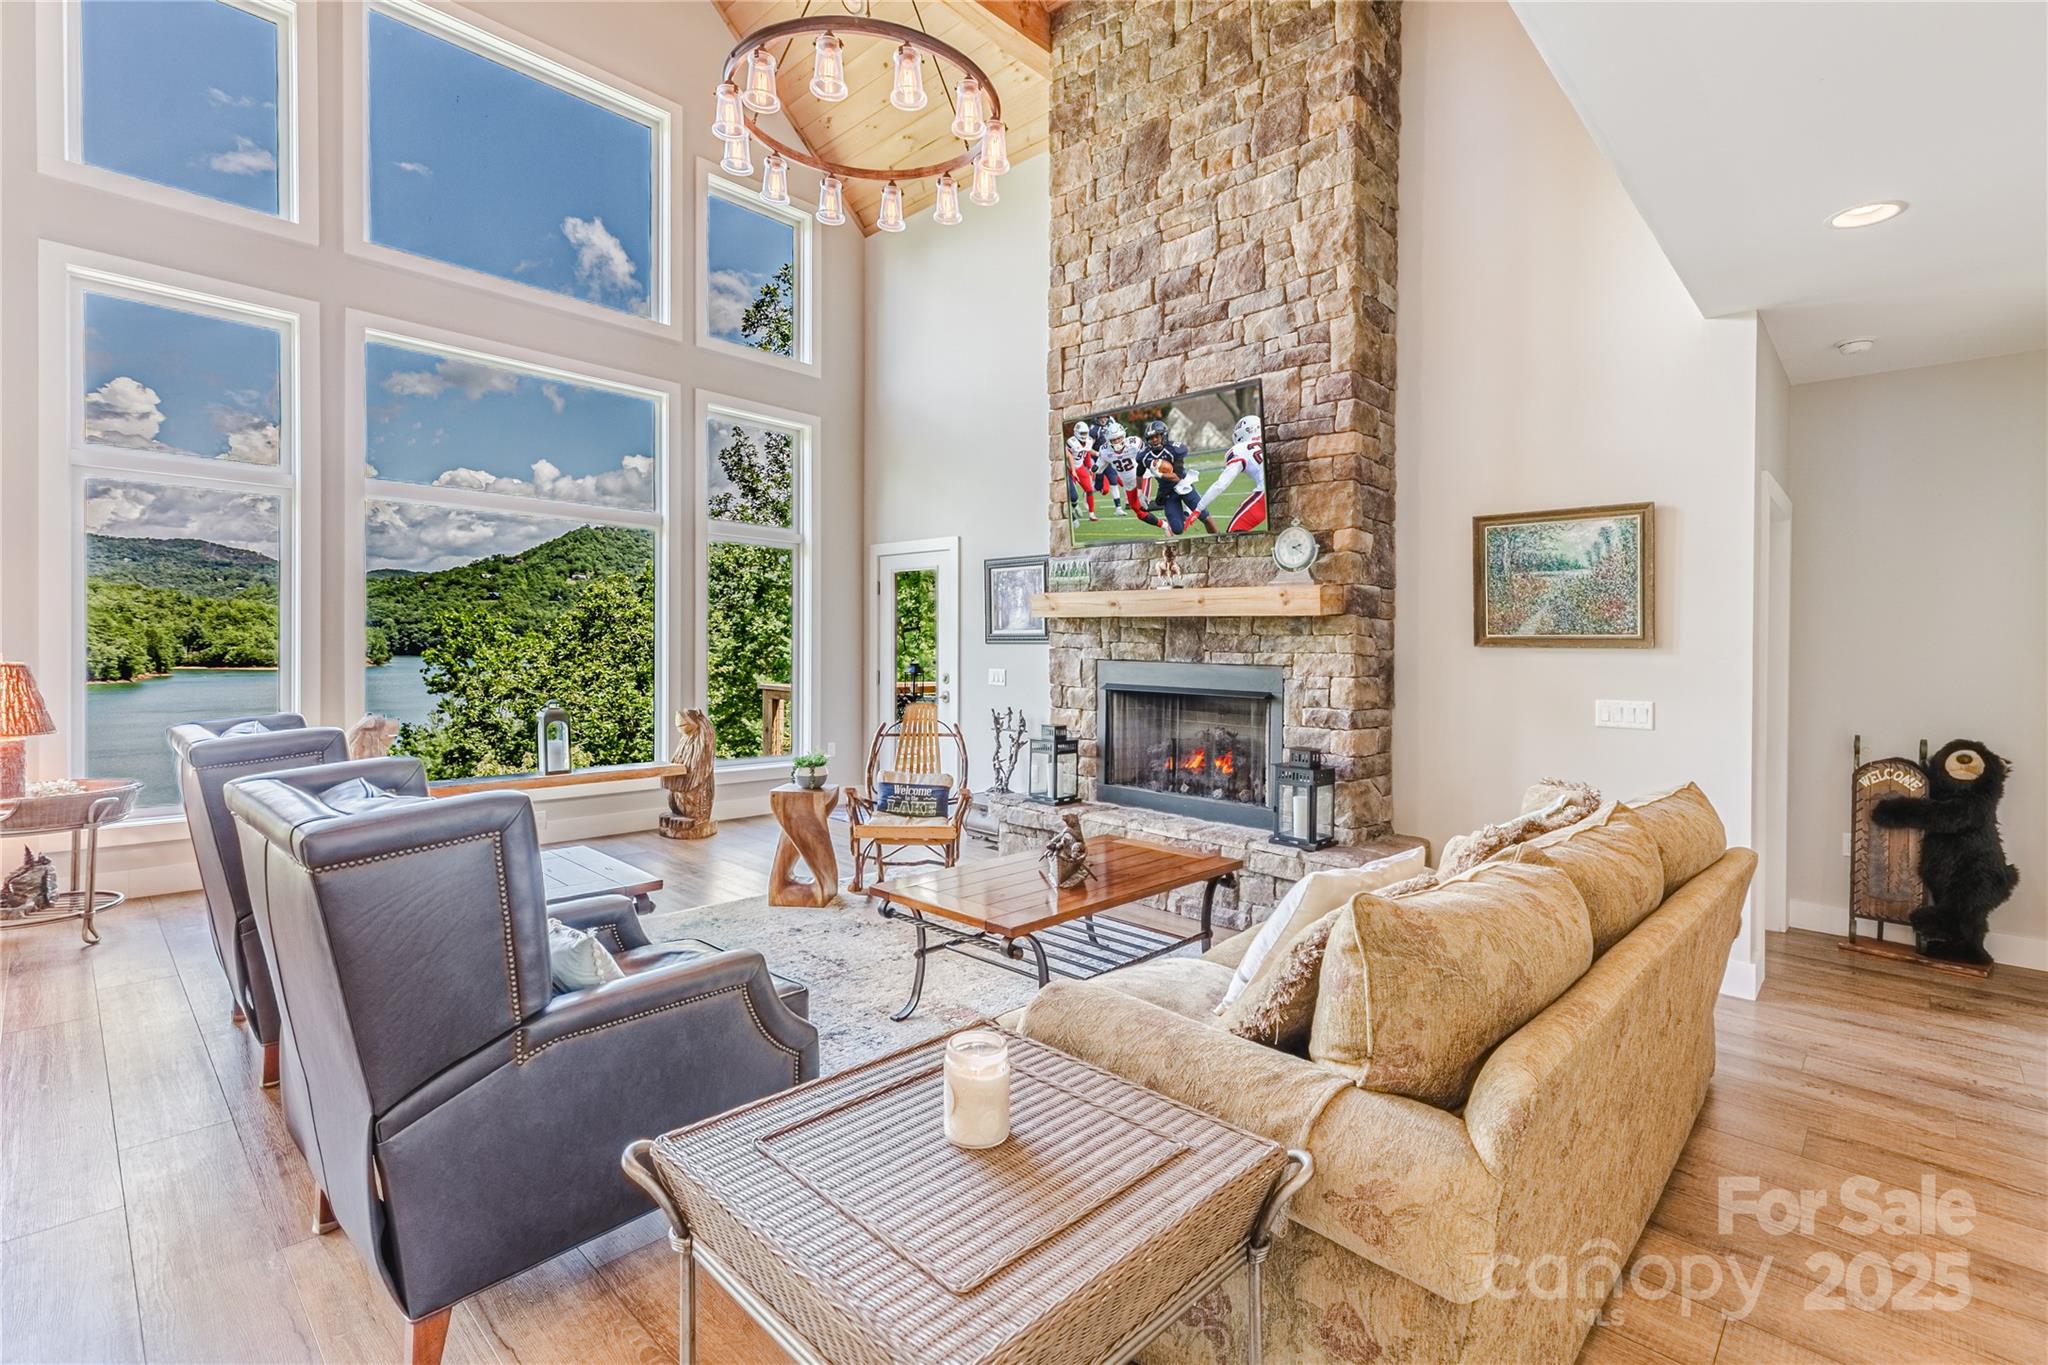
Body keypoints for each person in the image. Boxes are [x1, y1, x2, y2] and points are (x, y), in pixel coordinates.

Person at [1130, 420, 1219, 536]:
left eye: (1156, 436)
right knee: (1177, 529)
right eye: (1151, 438)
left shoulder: (1174, 449)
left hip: (1183, 485)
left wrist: (1160, 474)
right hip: (1167, 492)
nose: (1154, 440)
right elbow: (1139, 473)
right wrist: (1140, 492)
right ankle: (1185, 514)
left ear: (1163, 435)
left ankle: (1218, 539)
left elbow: (1177, 476)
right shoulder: (1144, 455)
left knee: (1205, 517)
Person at [1194, 413, 1268, 533]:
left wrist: (1198, 508)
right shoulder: (1271, 438)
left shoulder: (1240, 449)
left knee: (1234, 534)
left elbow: (1221, 484)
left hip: (1267, 493)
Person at [1065, 420, 1109, 522]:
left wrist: (1089, 467)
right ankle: (1073, 511)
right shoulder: (1071, 442)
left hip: (1079, 467)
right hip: (1068, 469)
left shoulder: (1089, 441)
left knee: (1089, 490)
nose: (1084, 435)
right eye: (1082, 433)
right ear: (1076, 432)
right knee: (1071, 495)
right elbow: (1068, 456)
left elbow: (1087, 454)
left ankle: (1091, 514)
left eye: (1085, 433)